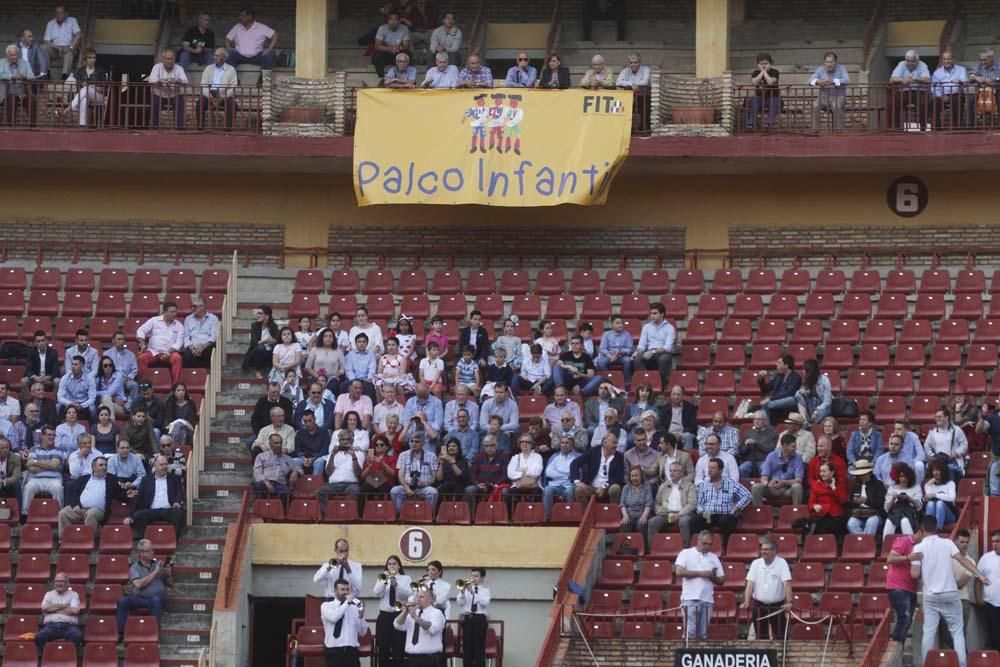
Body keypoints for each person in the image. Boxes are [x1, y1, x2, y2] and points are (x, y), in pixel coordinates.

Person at [912, 515, 990, 667]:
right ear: (937, 528)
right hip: (950, 594)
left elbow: (914, 574)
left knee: (929, 633)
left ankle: (925, 664)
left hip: (931, 596)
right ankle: (962, 664)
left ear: (922, 530)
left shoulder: (918, 548)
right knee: (957, 633)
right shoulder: (947, 543)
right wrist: (979, 575)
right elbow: (962, 559)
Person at [116, 539, 174, 636]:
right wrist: (155, 572)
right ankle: (122, 632)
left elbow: (171, 584)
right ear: (141, 553)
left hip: (156, 598)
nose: (152, 553)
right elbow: (139, 584)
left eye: (152, 550)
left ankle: (154, 631)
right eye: (149, 551)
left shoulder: (158, 565)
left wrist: (168, 574)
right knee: (122, 601)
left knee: (157, 599)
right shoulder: (135, 568)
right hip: (140, 598)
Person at [689, 458, 751, 546]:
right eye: (709, 468)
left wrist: (736, 507)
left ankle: (726, 548)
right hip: (708, 516)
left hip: (726, 515)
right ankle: (697, 548)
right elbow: (699, 502)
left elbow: (747, 495)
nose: (709, 470)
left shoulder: (731, 483)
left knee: (726, 521)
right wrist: (701, 511)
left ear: (720, 470)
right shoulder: (704, 484)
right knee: (694, 521)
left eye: (713, 468)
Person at [675, 530, 725, 640]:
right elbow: (678, 571)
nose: (707, 546)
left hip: (707, 599)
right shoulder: (686, 553)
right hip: (690, 598)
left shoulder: (713, 557)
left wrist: (712, 577)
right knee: (690, 633)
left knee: (703, 635)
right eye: (705, 543)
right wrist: (700, 573)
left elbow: (721, 580)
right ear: (698, 541)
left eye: (710, 544)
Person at [58, 454, 122, 537]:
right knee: (63, 513)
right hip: (80, 508)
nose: (104, 467)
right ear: (94, 467)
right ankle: (64, 541)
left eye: (105, 465)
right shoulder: (83, 479)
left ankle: (86, 542)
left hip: (97, 510)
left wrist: (127, 494)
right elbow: (74, 493)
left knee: (91, 514)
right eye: (101, 465)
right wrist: (75, 505)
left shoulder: (112, 480)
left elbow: (120, 494)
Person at [741, 539, 793, 640]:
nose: (763, 552)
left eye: (767, 549)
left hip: (777, 606)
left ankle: (780, 656)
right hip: (759, 605)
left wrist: (790, 602)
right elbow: (750, 584)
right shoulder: (756, 563)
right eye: (762, 549)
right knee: (761, 637)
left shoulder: (782, 563)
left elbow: (787, 584)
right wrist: (746, 601)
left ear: (774, 551)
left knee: (780, 637)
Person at [124, 454, 185, 539]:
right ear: (155, 466)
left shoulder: (174, 478)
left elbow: (180, 493)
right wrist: (130, 516)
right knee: (138, 515)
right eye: (161, 465)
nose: (164, 467)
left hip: (169, 509)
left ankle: (173, 540)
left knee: (179, 513)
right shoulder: (146, 480)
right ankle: (145, 540)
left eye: (166, 464)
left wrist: (177, 502)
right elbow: (139, 499)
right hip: (151, 510)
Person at [320, 579, 368, 666]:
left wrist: (361, 616)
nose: (345, 592)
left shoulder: (354, 608)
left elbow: (362, 632)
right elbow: (334, 617)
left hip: (352, 651)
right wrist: (347, 603)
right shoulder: (326, 606)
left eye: (347, 589)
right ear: (335, 591)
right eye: (342, 589)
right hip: (333, 651)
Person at [374, 555, 412, 666]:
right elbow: (377, 592)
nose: (391, 566)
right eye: (389, 564)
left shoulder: (406, 578)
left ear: (399, 566)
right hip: (384, 616)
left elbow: (409, 594)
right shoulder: (382, 577)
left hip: (399, 616)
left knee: (399, 648)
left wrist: (397, 585)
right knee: (383, 648)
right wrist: (384, 582)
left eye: (394, 564)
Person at [394, 587, 445, 666]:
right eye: (417, 597)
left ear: (430, 599)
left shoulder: (437, 613)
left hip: (430, 659)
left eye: (421, 597)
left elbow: (432, 629)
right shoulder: (412, 612)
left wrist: (416, 617)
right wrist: (406, 610)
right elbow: (397, 625)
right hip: (411, 658)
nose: (418, 599)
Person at [391, 431, 439, 515]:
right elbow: (400, 475)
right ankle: (399, 514)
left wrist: (425, 483)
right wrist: (407, 488)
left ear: (423, 443)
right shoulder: (403, 455)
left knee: (433, 492)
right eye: (411, 441)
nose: (413, 444)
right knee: (394, 490)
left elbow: (434, 478)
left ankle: (429, 515)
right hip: (407, 486)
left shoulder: (432, 456)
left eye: (417, 441)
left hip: (423, 487)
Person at [137, 302, 184, 384]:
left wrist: (168, 353)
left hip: (170, 353)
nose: (174, 314)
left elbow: (179, 342)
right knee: (141, 358)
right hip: (153, 352)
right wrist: (143, 343)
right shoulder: (154, 320)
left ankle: (175, 385)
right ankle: (143, 384)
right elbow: (141, 330)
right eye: (172, 312)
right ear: (164, 312)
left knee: (177, 358)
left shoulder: (179, 326)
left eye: (175, 312)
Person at [752, 432, 805, 506]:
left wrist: (784, 482)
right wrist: (767, 483)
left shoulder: (798, 457)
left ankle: (796, 512)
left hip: (787, 489)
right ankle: (759, 513)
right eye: (793, 447)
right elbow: (764, 478)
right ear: (785, 446)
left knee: (797, 487)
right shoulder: (771, 456)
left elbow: (799, 480)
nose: (795, 449)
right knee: (756, 487)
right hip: (772, 489)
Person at [571, 433, 625, 503]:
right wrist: (577, 482)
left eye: (616, 443)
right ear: (604, 443)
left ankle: (612, 513)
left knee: (615, 488)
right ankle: (584, 512)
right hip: (591, 486)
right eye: (614, 443)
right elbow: (574, 463)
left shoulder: (619, 457)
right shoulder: (593, 452)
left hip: (608, 486)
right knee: (579, 490)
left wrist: (603, 487)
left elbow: (619, 477)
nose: (616, 445)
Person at [35, 572, 83, 651]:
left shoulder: (74, 595)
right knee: (39, 636)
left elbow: (74, 611)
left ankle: (65, 655)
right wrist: (64, 606)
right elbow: (44, 608)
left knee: (78, 636)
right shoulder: (49, 594)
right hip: (51, 626)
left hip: (69, 626)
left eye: (62, 581)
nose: (59, 584)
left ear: (67, 583)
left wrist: (53, 608)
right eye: (57, 581)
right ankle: (50, 655)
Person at [22, 426, 65, 513]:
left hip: (54, 480)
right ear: (42, 436)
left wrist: (35, 461)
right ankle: (25, 515)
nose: (52, 437)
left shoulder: (58, 450)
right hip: (35, 479)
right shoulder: (34, 449)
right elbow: (30, 467)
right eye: (49, 435)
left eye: (53, 435)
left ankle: (59, 514)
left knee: (58, 488)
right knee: (28, 487)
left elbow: (54, 465)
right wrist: (49, 467)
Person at [632, 303, 675, 387]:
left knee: (664, 359)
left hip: (663, 352)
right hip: (649, 352)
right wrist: (637, 351)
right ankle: (648, 383)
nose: (652, 316)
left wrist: (653, 351)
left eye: (655, 313)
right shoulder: (646, 327)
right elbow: (642, 345)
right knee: (637, 359)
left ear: (662, 314)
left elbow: (668, 347)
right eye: (651, 313)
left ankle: (660, 385)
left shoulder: (670, 328)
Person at [889, 50, 931, 130]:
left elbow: (928, 80)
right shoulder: (901, 64)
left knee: (924, 104)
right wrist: (902, 79)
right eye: (908, 61)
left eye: (913, 61)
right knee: (894, 104)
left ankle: (923, 128)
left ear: (917, 60)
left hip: (919, 91)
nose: (910, 63)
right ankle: (897, 128)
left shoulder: (922, 65)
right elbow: (891, 80)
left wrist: (915, 79)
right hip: (905, 91)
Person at [457, 568, 490, 667]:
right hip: (468, 619)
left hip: (480, 620)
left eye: (476, 576)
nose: (473, 578)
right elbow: (460, 603)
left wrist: (472, 592)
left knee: (479, 648)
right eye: (472, 576)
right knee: (467, 648)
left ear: (482, 578)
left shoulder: (485, 591)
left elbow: (484, 603)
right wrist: (463, 592)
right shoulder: (466, 590)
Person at [924, 408, 968, 481]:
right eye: (936, 417)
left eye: (939, 417)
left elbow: (964, 444)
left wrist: (957, 452)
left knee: (949, 469)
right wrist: (932, 455)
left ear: (947, 417)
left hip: (954, 462)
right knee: (929, 467)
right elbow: (926, 446)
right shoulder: (933, 432)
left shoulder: (956, 430)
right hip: (938, 462)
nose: (937, 419)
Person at [147, 50, 188, 129]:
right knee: (154, 103)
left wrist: (176, 80)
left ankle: (180, 127)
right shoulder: (157, 67)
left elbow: (185, 81)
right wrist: (159, 81)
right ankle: (154, 127)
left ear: (174, 59)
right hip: (159, 94)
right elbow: (151, 80)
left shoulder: (179, 68)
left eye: (171, 59)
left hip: (174, 94)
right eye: (168, 59)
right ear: (163, 59)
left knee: (180, 103)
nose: (170, 61)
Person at [756, 354, 801, 425]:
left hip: (789, 405)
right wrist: (761, 379)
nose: (776, 364)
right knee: (768, 410)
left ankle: (767, 430)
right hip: (776, 405)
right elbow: (766, 389)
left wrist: (770, 399)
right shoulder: (779, 376)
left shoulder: (796, 377)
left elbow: (788, 394)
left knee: (766, 405)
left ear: (786, 365)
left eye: (779, 363)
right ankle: (769, 429)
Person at [810, 51, 850, 130]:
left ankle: (839, 130)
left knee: (836, 106)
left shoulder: (842, 68)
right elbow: (810, 81)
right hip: (824, 97)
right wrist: (818, 81)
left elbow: (847, 80)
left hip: (839, 96)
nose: (829, 64)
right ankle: (815, 129)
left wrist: (833, 81)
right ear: (824, 62)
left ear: (836, 62)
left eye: (831, 62)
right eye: (827, 62)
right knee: (815, 105)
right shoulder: (820, 69)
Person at [847, 459, 885, 536]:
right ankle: (864, 543)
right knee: (851, 523)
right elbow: (849, 502)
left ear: (869, 473)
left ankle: (866, 544)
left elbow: (881, 503)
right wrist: (854, 501)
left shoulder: (878, 484)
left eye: (864, 474)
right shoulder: (854, 485)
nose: (862, 476)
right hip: (858, 514)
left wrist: (866, 501)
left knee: (871, 522)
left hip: (875, 514)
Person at [253, 432, 298, 499]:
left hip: (280, 484)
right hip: (265, 482)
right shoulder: (261, 456)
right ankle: (263, 507)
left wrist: (295, 472)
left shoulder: (287, 459)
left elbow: (298, 468)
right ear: (270, 445)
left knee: (288, 493)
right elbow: (257, 472)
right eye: (276, 443)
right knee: (258, 487)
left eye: (280, 443)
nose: (279, 445)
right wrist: (266, 483)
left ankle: (281, 509)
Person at [975, 530, 1000, 651]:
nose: (994, 544)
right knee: (994, 636)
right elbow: (978, 579)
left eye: (998, 541)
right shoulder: (986, 558)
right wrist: (979, 599)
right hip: (991, 604)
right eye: (993, 541)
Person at [884, 462, 923, 538]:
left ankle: (911, 546)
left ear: (910, 477)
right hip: (895, 513)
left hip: (910, 513)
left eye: (906, 477)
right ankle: (886, 547)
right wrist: (893, 498)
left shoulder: (916, 487)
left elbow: (919, 507)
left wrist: (909, 498)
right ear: (898, 477)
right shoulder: (892, 488)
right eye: (901, 476)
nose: (904, 479)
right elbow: (886, 509)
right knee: (889, 521)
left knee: (904, 521)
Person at [810, 460, 848, 535]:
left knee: (835, 524)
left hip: (836, 514)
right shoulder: (816, 485)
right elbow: (811, 503)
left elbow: (844, 500)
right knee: (818, 523)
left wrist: (833, 487)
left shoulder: (839, 484)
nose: (822, 474)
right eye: (821, 471)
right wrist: (814, 506)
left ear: (832, 472)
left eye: (824, 471)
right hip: (821, 514)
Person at [931, 51, 967, 129]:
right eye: (944, 59)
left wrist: (960, 81)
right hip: (943, 95)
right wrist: (940, 96)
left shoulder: (961, 69)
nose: (946, 61)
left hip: (956, 94)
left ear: (952, 59)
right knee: (934, 102)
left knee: (958, 100)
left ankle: (957, 126)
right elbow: (934, 87)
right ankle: (937, 126)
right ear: (942, 60)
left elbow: (964, 82)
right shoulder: (937, 73)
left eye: (949, 59)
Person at [43, 5, 80, 78]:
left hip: (69, 48)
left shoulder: (72, 20)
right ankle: (46, 73)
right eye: (57, 12)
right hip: (56, 49)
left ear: (66, 13)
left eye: (60, 12)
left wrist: (71, 47)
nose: (58, 14)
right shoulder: (51, 23)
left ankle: (65, 75)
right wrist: (57, 47)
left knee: (69, 52)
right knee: (43, 48)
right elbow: (46, 40)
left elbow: (78, 34)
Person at [182, 296, 219, 367]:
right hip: (193, 347)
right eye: (192, 306)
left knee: (212, 349)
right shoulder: (188, 319)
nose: (192, 308)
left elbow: (213, 337)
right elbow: (186, 337)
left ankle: (206, 374)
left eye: (194, 306)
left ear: (203, 307)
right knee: (187, 356)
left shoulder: (213, 318)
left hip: (207, 346)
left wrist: (202, 348)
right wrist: (192, 348)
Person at [923, 457, 958, 531]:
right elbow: (928, 497)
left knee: (940, 503)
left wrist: (936, 495)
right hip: (934, 512)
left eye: (938, 470)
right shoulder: (930, 484)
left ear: (943, 471)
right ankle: (928, 530)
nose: (935, 472)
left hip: (949, 514)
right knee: (930, 504)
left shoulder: (950, 483)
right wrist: (928, 485)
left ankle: (937, 530)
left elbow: (952, 498)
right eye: (934, 470)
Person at [739, 410, 776, 478]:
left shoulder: (771, 433)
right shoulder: (748, 433)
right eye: (755, 419)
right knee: (742, 468)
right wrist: (746, 446)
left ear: (765, 421)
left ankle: (762, 487)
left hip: (764, 461)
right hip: (749, 461)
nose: (757, 421)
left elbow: (771, 449)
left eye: (759, 419)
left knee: (764, 468)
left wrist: (756, 443)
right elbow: (741, 451)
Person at [619, 465, 652, 541]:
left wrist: (644, 516)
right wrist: (625, 516)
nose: (634, 478)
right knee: (625, 524)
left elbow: (649, 504)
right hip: (630, 513)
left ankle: (643, 549)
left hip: (643, 513)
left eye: (636, 476)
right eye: (632, 476)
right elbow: (622, 504)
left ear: (641, 476)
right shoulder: (626, 488)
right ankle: (625, 549)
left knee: (641, 525)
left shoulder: (646, 487)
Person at [57, 355, 96, 421]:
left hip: (83, 403)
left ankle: (92, 428)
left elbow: (92, 398)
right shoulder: (65, 378)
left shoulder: (90, 378)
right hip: (69, 402)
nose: (73, 366)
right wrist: (69, 403)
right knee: (58, 406)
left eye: (76, 364)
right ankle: (57, 427)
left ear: (82, 366)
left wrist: (82, 405)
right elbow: (60, 397)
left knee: (92, 408)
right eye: (72, 364)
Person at [244, 306, 279, 377]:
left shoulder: (274, 326)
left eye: (260, 313)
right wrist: (266, 340)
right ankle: (258, 371)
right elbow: (254, 342)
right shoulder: (254, 326)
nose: (258, 315)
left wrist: (273, 341)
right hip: (256, 352)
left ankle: (274, 371)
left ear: (267, 315)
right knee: (260, 347)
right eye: (257, 313)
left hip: (270, 352)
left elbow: (276, 340)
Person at [747, 53, 780, 129]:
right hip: (760, 98)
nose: (764, 65)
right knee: (754, 100)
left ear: (770, 64)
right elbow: (754, 82)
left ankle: (770, 123)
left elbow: (770, 82)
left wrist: (764, 72)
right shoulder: (755, 73)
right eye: (761, 64)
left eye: (766, 63)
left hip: (773, 98)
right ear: (758, 65)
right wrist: (762, 72)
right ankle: (751, 123)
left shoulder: (774, 72)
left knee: (774, 101)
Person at [105, 331, 139, 401]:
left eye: (123, 339)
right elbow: (104, 369)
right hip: (112, 380)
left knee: (134, 385)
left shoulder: (131, 355)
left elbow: (134, 370)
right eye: (119, 339)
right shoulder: (107, 354)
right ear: (113, 341)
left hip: (126, 380)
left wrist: (128, 378)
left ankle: (133, 406)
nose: (121, 341)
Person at [22, 329, 59, 394]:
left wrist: (46, 378)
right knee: (24, 381)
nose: (41, 343)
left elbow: (56, 371)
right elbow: (27, 370)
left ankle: (54, 402)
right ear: (35, 343)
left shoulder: (53, 352)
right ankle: (27, 403)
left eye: (43, 340)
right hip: (35, 380)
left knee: (57, 381)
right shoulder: (31, 352)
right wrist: (35, 377)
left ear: (46, 341)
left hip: (47, 380)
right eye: (38, 341)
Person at [976, 401, 1000, 496]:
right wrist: (982, 417)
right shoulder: (993, 418)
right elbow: (978, 430)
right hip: (997, 460)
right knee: (994, 492)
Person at [0, 436, 22, 501]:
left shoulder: (15, 458)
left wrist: (3, 482)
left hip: (8, 483)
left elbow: (16, 476)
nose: (5, 450)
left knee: (16, 485)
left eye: (7, 448)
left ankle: (19, 510)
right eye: (2, 448)